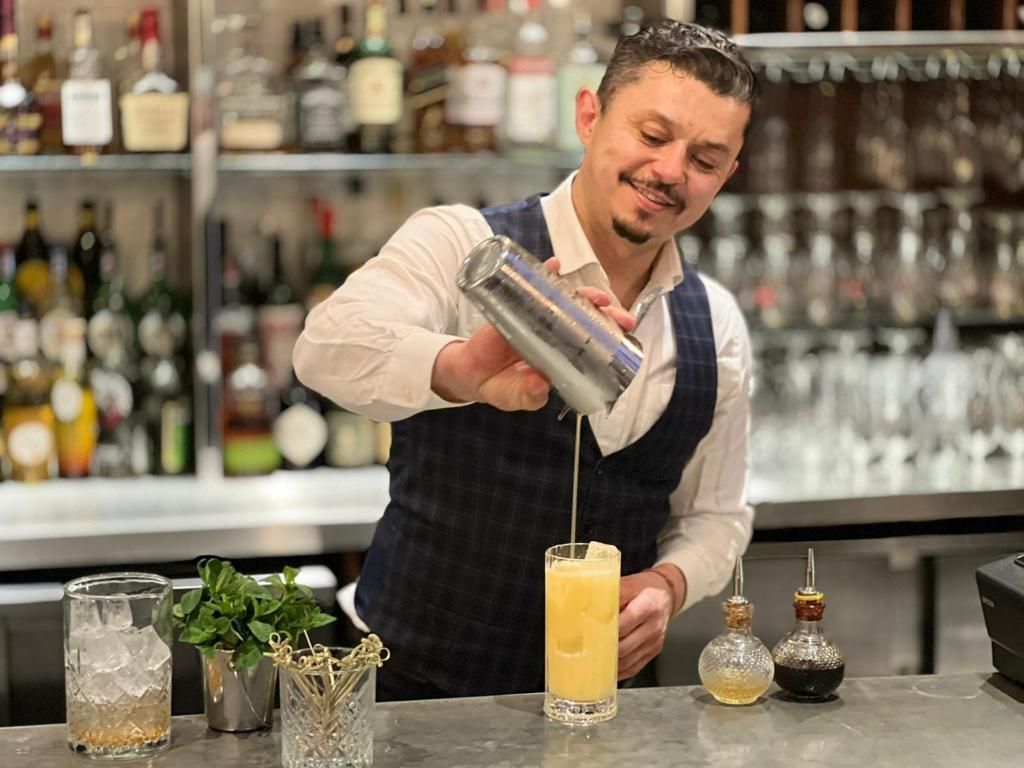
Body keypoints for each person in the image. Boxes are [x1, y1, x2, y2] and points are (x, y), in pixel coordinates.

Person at [294, 20, 757, 701]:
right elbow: (326, 346)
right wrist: (459, 369)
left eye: (705, 159)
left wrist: (669, 584)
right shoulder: (464, 244)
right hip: (412, 694)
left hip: (605, 707)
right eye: (652, 136)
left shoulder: (714, 323)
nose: (670, 173)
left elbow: (718, 515)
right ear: (589, 114)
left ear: (727, 175)